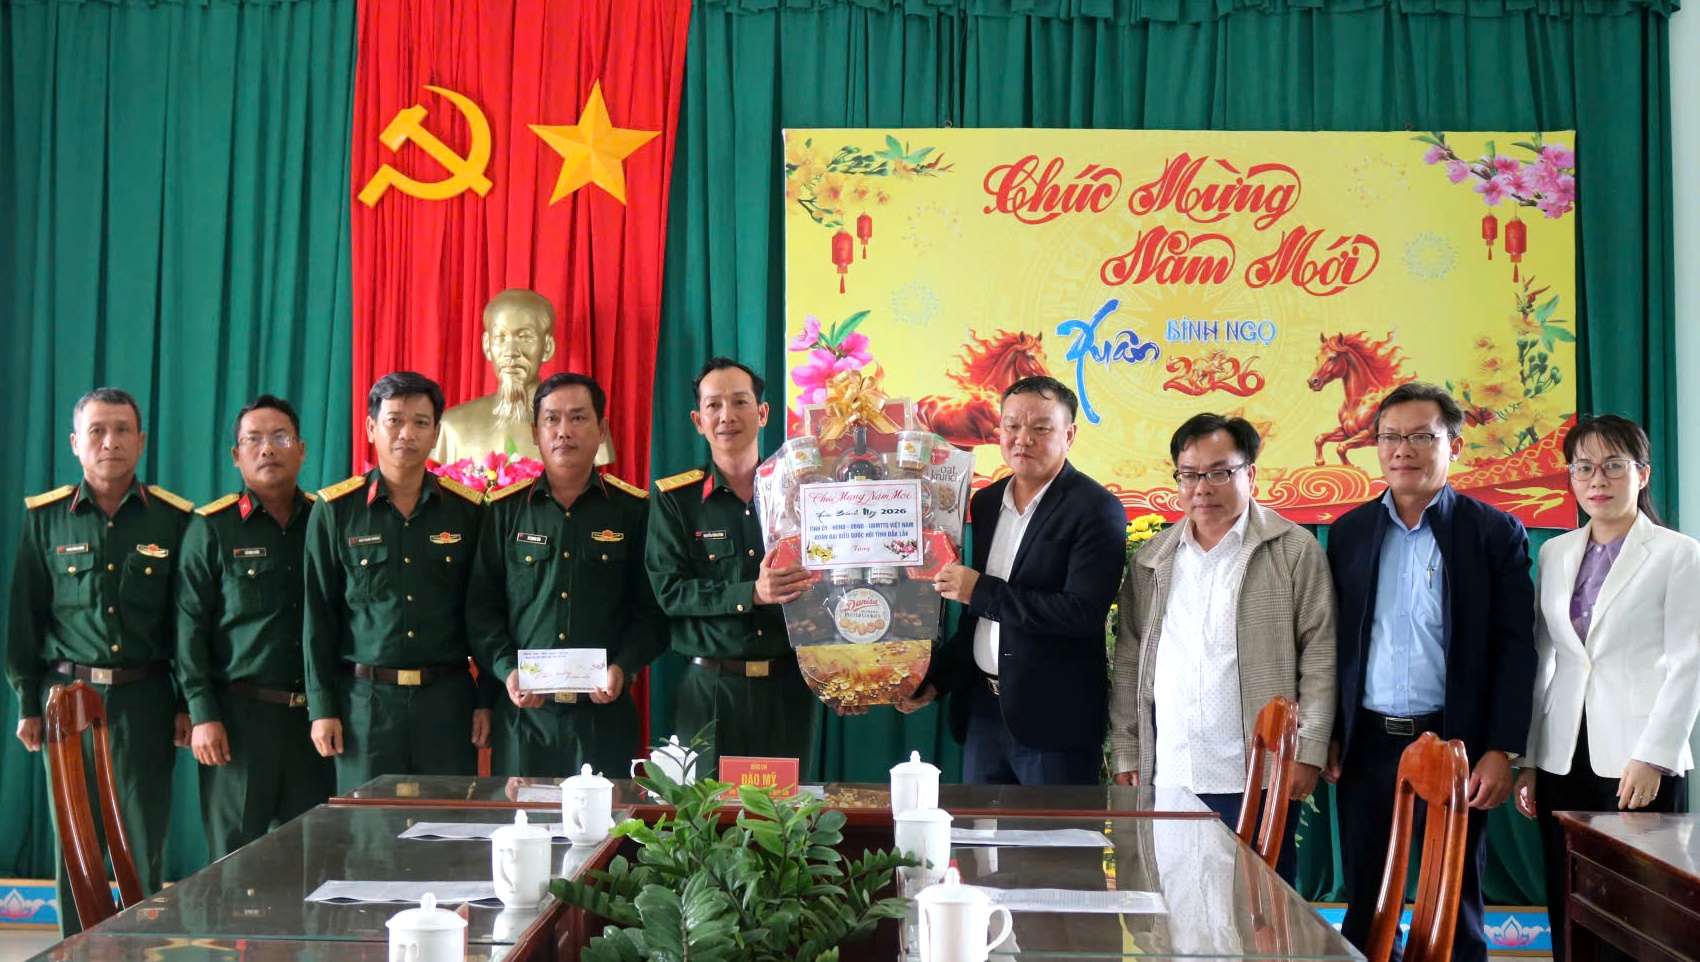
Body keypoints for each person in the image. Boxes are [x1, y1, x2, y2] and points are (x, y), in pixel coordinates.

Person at [1322, 381, 1535, 962]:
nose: (1402, 450)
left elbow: (1516, 649)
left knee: (1455, 899)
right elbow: (1334, 644)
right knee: (1367, 904)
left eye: (1420, 436)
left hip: (1453, 742)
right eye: (1389, 437)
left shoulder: (1492, 533)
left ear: (1454, 446)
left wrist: (1502, 748)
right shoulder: (1349, 532)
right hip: (1367, 743)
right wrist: (1332, 734)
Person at [1108, 413, 1335, 881]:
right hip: (1171, 771)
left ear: (1250, 473)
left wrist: (1307, 749)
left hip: (1258, 773)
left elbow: (1320, 653)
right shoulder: (1153, 559)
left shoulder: (1292, 550)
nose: (1202, 488)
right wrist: (1128, 751)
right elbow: (1130, 662)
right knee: (1178, 901)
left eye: (1219, 473)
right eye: (1189, 475)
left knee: (1259, 904)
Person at [5, 387, 193, 935]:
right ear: (75, 443)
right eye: (97, 431)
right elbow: (25, 621)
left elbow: (185, 624)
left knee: (142, 843)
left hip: (145, 700)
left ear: (141, 441)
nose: (110, 442)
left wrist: (186, 702)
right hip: (67, 699)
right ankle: (76, 948)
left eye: (122, 430)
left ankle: (139, 947)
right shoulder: (46, 519)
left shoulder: (172, 519)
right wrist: (27, 704)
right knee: (76, 846)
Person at [1512, 415, 1698, 960]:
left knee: (1641, 910)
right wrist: (1530, 758)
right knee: (1568, 901)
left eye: (1614, 466)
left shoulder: (1676, 553)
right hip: (1562, 755)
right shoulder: (1555, 552)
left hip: (1638, 758)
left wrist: (1655, 756)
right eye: (1584, 468)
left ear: (1642, 474)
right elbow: (1545, 659)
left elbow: (1688, 663)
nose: (1598, 480)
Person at [897, 375, 1124, 785]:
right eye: (1012, 426)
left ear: (1069, 435)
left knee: (1050, 830)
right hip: (983, 712)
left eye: (1041, 428)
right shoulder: (985, 503)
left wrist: (980, 591)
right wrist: (937, 680)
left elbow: (1081, 613)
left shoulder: (1096, 508)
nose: (1023, 439)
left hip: (1053, 724)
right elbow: (978, 620)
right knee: (980, 828)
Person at [304, 372, 495, 792]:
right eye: (394, 420)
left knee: (447, 823)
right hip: (365, 706)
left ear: (436, 433)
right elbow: (318, 617)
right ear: (371, 427)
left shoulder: (466, 511)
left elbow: (484, 612)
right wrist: (322, 708)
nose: (406, 433)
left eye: (420, 422)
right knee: (368, 826)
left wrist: (486, 700)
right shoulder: (336, 511)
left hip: (447, 704)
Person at [468, 373, 665, 777]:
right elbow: (482, 609)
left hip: (603, 717)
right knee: (524, 817)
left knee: (606, 819)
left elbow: (653, 611)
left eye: (578, 418)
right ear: (535, 433)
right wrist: (507, 670)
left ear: (602, 430)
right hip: (525, 720)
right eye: (552, 419)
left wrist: (623, 666)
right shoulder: (504, 512)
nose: (564, 431)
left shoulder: (633, 511)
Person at [176, 395, 336, 859]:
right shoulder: (212, 528)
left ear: (301, 450)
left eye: (280, 438)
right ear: (236, 455)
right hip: (239, 723)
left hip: (315, 722)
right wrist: (203, 714)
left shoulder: (326, 520)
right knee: (235, 864)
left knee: (313, 861)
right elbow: (189, 629)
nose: (267, 449)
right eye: (254, 440)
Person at [645, 357, 819, 775]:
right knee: (708, 812)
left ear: (763, 413)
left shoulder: (803, 494)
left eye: (740, 402)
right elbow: (670, 592)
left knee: (784, 812)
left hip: (789, 689)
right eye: (714, 405)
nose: (727, 416)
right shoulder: (676, 500)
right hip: (710, 691)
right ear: (698, 421)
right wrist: (751, 593)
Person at [432, 289, 612, 466]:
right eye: (500, 337)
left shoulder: (587, 427)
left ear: (547, 347)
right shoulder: (451, 427)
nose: (511, 352)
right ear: (487, 345)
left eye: (525, 337)